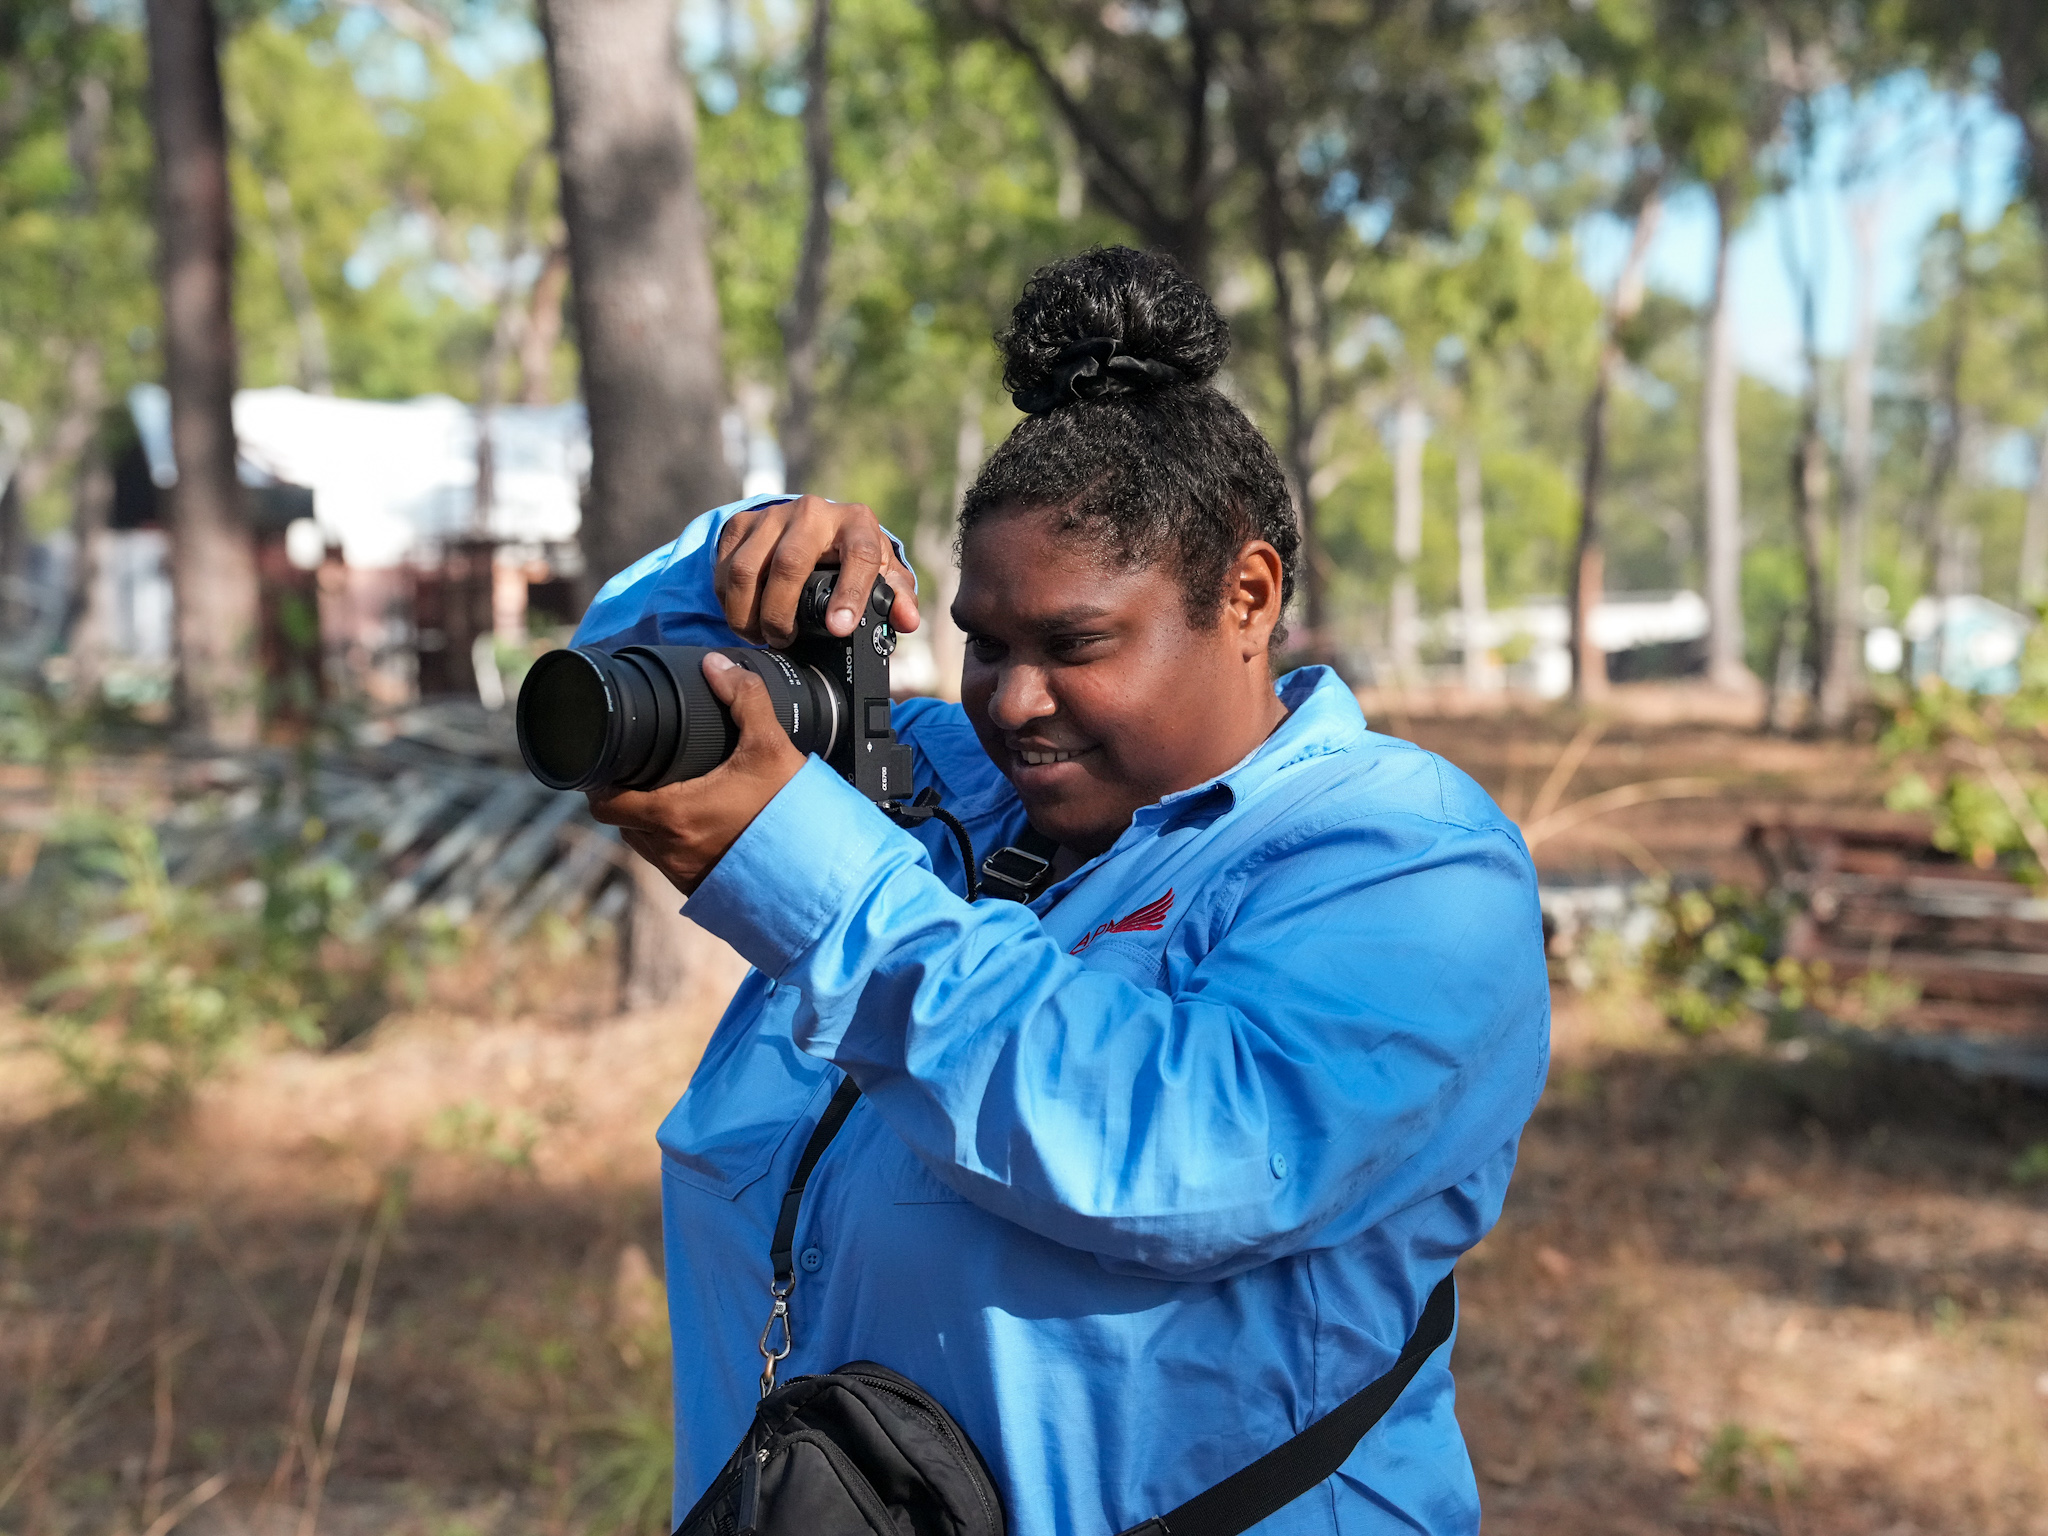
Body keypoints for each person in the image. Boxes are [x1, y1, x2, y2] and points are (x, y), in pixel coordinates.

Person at [575, 247, 1549, 1536]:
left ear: (1247, 597)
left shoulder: (1412, 860)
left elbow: (1191, 1148)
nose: (1013, 702)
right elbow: (625, 704)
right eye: (985, 641)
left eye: (1074, 644)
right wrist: (738, 567)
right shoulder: (938, 787)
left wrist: (826, 893)